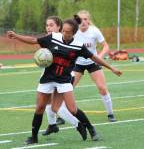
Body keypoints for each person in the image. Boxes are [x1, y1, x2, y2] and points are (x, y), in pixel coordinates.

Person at [7, 15, 122, 145]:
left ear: (74, 33)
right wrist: (16, 36)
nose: (65, 33)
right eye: (64, 31)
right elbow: (34, 40)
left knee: (72, 109)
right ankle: (34, 137)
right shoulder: (53, 38)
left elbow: (94, 58)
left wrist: (111, 68)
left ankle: (91, 129)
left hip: (64, 80)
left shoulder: (78, 46)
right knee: (40, 107)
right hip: (48, 78)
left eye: (68, 32)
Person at [43, 16, 100, 142]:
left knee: (66, 108)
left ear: (59, 27)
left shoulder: (64, 39)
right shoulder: (49, 39)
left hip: (65, 77)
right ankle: (52, 125)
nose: (48, 27)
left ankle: (84, 126)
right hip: (52, 76)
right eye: (47, 25)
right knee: (49, 103)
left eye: (51, 25)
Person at [72, 10, 117, 122]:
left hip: (93, 63)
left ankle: (110, 114)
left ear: (89, 20)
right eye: (80, 19)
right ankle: (61, 115)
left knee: (102, 87)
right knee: (68, 88)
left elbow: (106, 46)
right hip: (78, 63)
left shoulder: (94, 31)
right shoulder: (73, 31)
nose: (83, 21)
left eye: (86, 19)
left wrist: (99, 57)